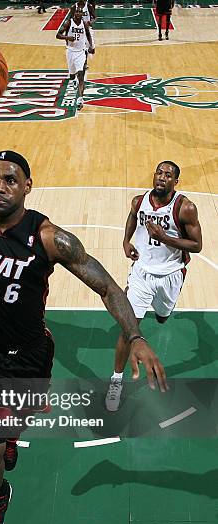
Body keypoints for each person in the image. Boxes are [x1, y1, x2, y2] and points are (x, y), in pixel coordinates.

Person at [0, 78, 167, 524]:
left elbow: (107, 284)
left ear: (28, 186)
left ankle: (10, 430)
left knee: (19, 419)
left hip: (31, 354)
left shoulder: (50, 239)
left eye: (10, 179)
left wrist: (134, 336)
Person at [105, 161, 202, 412]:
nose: (161, 177)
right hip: (141, 273)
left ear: (175, 182)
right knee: (129, 327)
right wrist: (126, 241)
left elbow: (197, 245)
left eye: (168, 175)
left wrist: (165, 237)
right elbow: (132, 218)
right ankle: (116, 380)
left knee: (162, 317)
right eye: (159, 172)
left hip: (170, 275)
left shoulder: (185, 208)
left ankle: (161, 312)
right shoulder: (139, 201)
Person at [56, 8, 94, 111]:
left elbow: (89, 35)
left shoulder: (84, 24)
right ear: (74, 13)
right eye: (76, 11)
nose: (78, 13)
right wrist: (67, 38)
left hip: (81, 52)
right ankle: (73, 81)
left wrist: (90, 46)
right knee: (72, 76)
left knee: (81, 74)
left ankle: (80, 99)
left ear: (82, 14)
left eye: (80, 12)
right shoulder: (69, 22)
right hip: (70, 51)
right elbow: (58, 35)